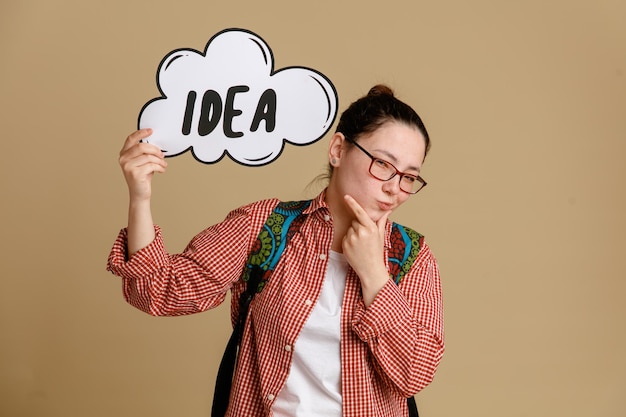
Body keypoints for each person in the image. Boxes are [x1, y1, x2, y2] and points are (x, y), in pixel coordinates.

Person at [107, 84, 444, 417]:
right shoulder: (266, 226)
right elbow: (158, 291)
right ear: (338, 150)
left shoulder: (412, 257)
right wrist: (141, 197)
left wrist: (374, 274)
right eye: (383, 164)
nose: (393, 188)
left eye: (409, 178)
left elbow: (414, 374)